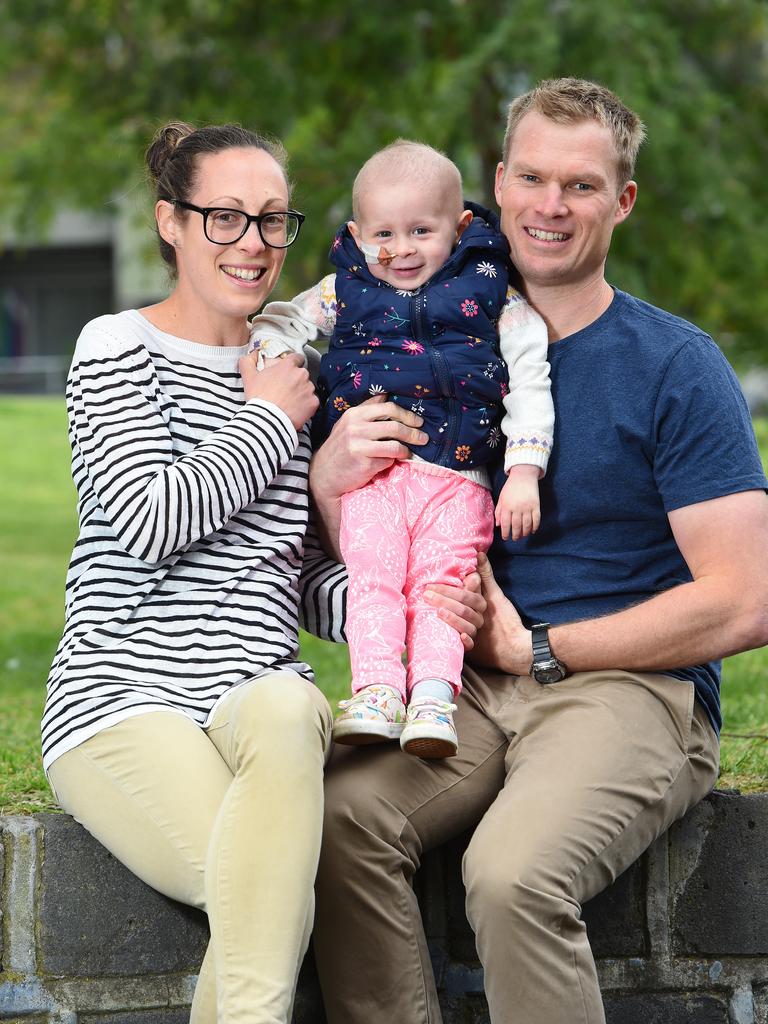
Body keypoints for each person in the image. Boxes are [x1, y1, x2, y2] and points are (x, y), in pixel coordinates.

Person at [307, 78, 768, 1024]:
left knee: (512, 874)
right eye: (531, 177)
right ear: (496, 186)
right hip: (462, 681)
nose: (550, 206)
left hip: (627, 687)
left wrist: (540, 648)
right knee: (335, 826)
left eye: (582, 185)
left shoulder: (674, 365)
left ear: (623, 201)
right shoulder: (413, 343)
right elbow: (353, 553)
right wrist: (328, 476)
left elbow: (745, 599)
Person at [42, 120, 360, 1024]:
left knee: (292, 703)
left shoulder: (297, 371)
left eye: (271, 220)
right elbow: (146, 522)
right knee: (272, 892)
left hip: (253, 699)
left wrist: (400, 600)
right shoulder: (117, 347)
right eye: (224, 217)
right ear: (170, 223)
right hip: (122, 698)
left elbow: (288, 573)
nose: (254, 243)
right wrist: (266, 421)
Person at [251, 140, 552, 759]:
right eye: (383, 233)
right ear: (358, 234)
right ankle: (378, 691)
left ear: (461, 225)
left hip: (458, 478)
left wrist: (523, 470)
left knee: (441, 586)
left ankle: (435, 701)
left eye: (421, 230)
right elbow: (279, 320)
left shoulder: (493, 294)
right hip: (375, 479)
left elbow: (529, 376)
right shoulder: (345, 290)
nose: (402, 249)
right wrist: (275, 353)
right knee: (373, 581)